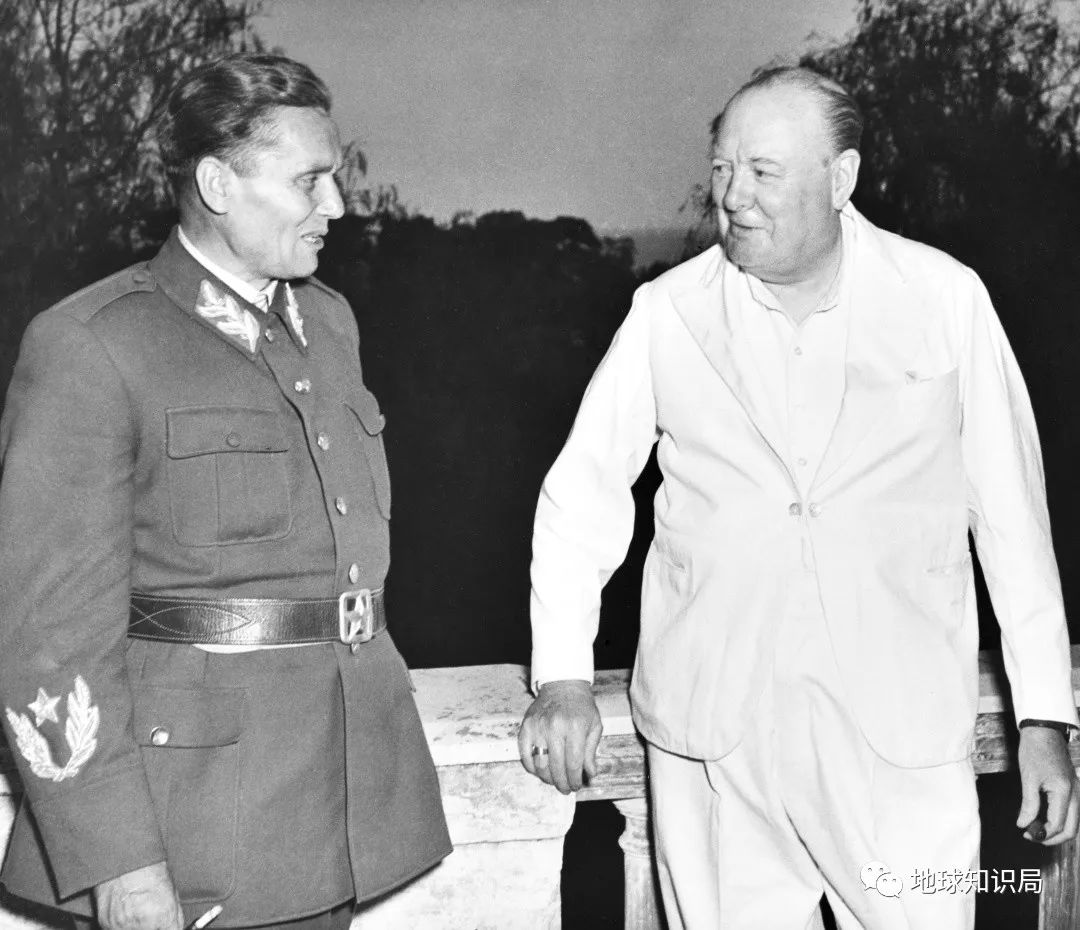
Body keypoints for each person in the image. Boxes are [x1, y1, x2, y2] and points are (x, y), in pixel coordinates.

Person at [517, 66, 1079, 929]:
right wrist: (561, 676)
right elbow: (580, 495)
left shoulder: (944, 297)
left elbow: (1012, 516)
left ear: (841, 178)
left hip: (897, 744)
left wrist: (1042, 714)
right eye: (721, 168)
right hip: (715, 743)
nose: (731, 195)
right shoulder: (668, 311)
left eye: (763, 172)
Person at [0, 53, 451, 930]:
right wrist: (119, 862)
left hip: (337, 808)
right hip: (194, 825)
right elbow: (47, 641)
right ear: (216, 184)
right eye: (309, 181)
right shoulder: (93, 344)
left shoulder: (328, 322)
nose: (337, 205)